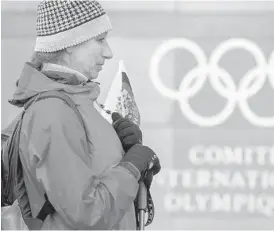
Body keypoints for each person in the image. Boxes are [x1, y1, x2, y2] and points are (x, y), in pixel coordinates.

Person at [6, 0, 161, 229]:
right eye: (100, 40)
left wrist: (125, 149)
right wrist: (132, 166)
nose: (108, 52)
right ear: (69, 43)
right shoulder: (52, 113)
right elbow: (86, 214)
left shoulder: (79, 104)